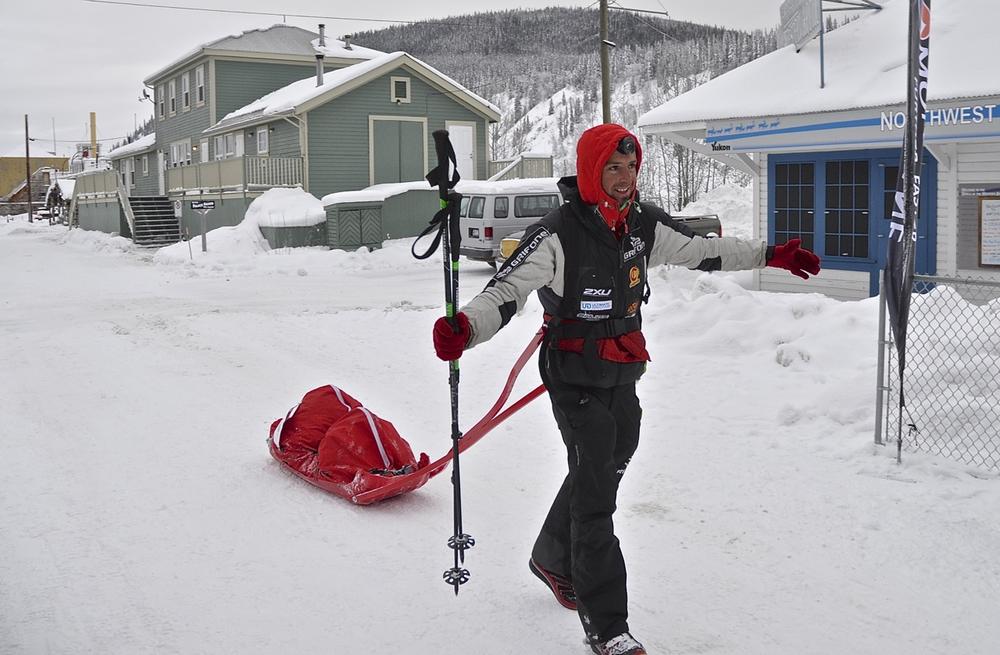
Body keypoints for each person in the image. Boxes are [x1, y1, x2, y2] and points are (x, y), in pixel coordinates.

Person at [432, 123, 820, 655]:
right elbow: (507, 290)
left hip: (622, 369)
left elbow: (703, 250)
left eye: (631, 167)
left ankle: (552, 558)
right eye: (613, 168)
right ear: (591, 170)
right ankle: (608, 627)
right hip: (573, 373)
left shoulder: (642, 224)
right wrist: (466, 328)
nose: (624, 178)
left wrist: (770, 254)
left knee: (613, 455)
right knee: (596, 496)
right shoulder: (556, 233)